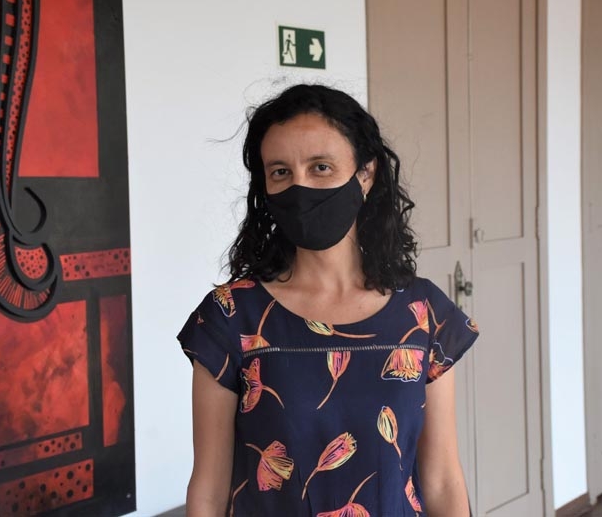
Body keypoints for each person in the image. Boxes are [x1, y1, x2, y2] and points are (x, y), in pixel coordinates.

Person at [177, 84, 480, 517]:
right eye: (280, 172)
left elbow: (443, 480)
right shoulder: (231, 317)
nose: (300, 186)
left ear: (366, 174)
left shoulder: (421, 313)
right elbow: (209, 490)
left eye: (320, 167)